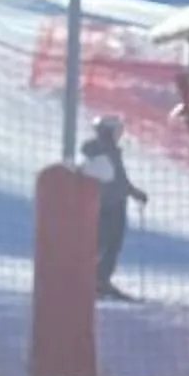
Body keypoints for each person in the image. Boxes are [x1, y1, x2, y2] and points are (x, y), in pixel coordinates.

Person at [81, 116, 148, 301]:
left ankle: (100, 278)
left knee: (112, 244)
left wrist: (134, 192)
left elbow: (120, 180)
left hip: (116, 203)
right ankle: (95, 279)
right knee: (104, 243)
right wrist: (130, 192)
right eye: (116, 131)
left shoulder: (111, 152)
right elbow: (110, 180)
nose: (119, 135)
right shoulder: (101, 153)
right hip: (107, 205)